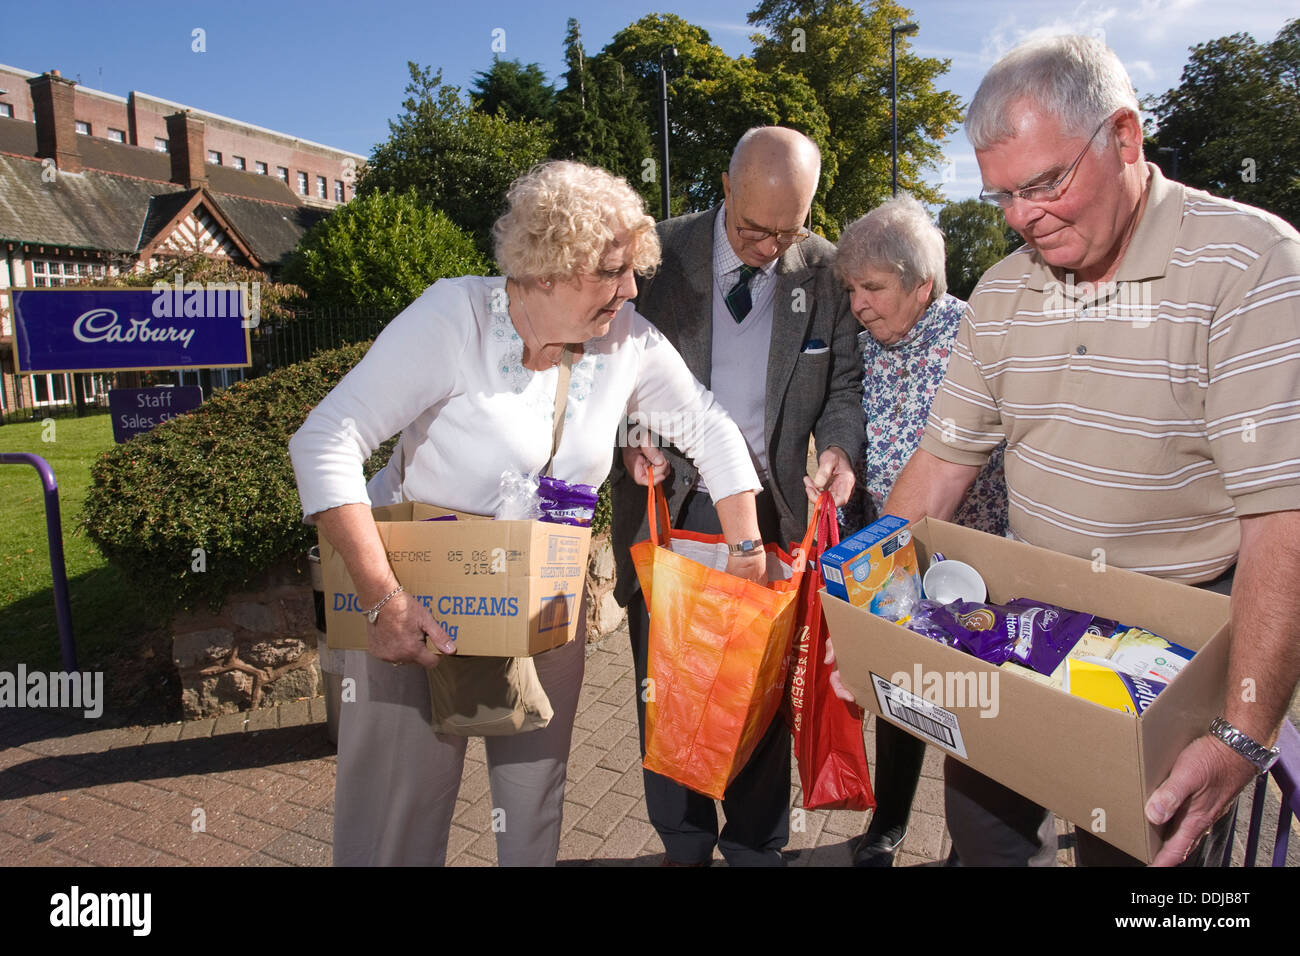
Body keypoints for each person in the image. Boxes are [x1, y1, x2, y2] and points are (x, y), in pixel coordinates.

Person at [862, 34, 1300, 866]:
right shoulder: (1001, 289)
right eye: (1001, 196)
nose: (1023, 217)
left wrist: (1244, 734)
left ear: (1125, 138)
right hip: (1020, 626)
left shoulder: (1254, 264)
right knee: (984, 843)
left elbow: (1283, 516)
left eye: (1046, 183)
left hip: (1171, 652)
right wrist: (866, 616)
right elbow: (940, 465)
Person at [288, 160, 768, 866]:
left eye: (633, 270)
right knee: (398, 808)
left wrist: (748, 548)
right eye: (611, 271)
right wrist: (382, 597)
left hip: (544, 595)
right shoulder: (454, 318)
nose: (630, 289)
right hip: (415, 593)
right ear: (546, 268)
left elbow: (708, 426)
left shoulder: (626, 338)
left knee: (534, 794)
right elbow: (325, 440)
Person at [611, 126, 863, 866]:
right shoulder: (655, 255)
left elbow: (842, 385)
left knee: (757, 691)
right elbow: (606, 364)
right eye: (756, 228)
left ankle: (757, 846)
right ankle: (683, 844)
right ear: (724, 188)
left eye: (790, 229)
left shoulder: (822, 271)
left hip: (774, 519)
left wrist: (840, 447)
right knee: (672, 691)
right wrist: (632, 436)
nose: (771, 247)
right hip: (671, 509)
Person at [832, 194, 1008, 866]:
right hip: (889, 554)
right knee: (898, 694)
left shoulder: (977, 337)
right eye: (852, 289)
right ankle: (890, 821)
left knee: (982, 707)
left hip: (974, 557)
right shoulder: (860, 350)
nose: (859, 305)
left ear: (922, 285)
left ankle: (985, 837)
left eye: (873, 289)